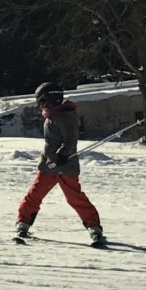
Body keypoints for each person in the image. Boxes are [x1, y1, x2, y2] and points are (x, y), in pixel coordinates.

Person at [15, 81, 106, 247]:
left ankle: (94, 227)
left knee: (75, 198)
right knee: (35, 194)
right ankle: (23, 223)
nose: (41, 106)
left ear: (51, 100)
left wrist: (63, 155)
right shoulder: (53, 114)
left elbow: (71, 139)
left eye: (42, 102)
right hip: (49, 165)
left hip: (65, 165)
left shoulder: (64, 116)